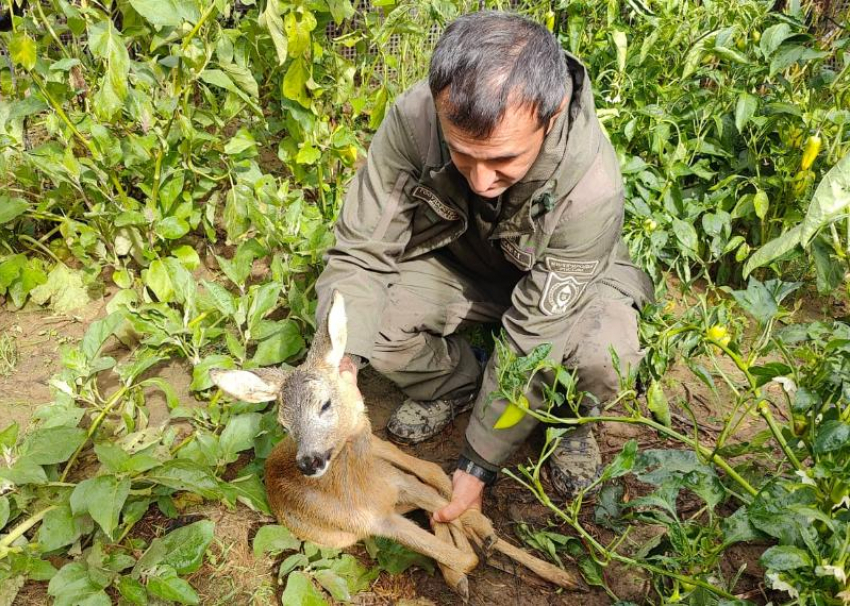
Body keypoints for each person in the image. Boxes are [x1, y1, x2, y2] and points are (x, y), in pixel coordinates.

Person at [314, 10, 653, 523]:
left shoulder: (592, 189)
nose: (480, 180)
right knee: (367, 326)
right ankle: (458, 383)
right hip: (467, 265)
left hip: (568, 289)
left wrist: (477, 463)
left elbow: (536, 333)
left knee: (605, 355)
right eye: (462, 155)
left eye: (503, 161)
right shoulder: (414, 119)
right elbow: (362, 252)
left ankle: (565, 419)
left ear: (553, 112)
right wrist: (339, 366)